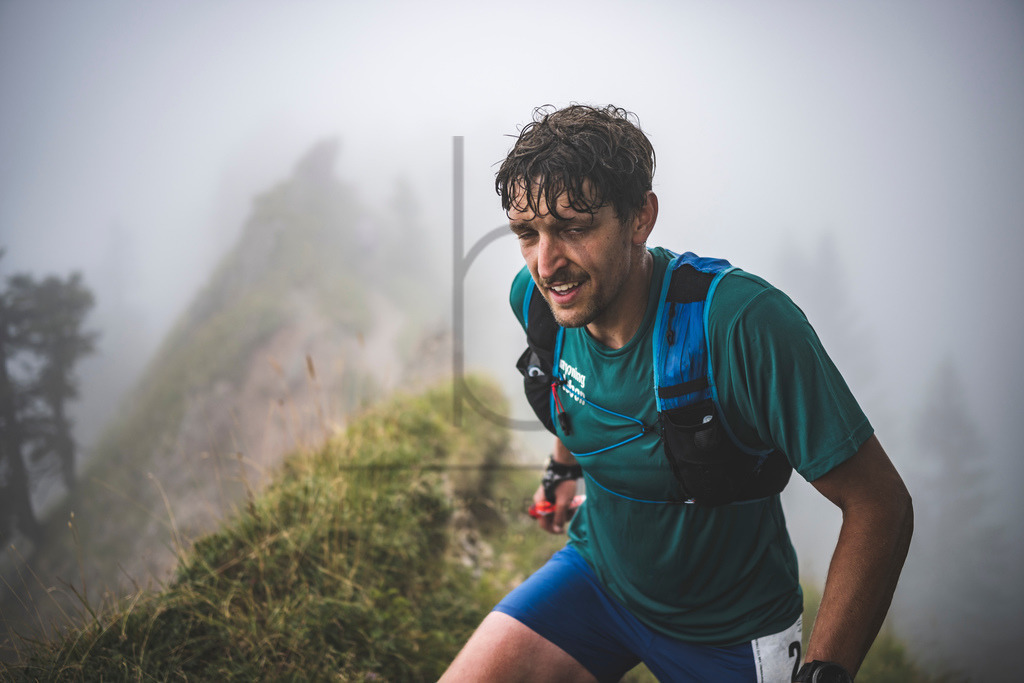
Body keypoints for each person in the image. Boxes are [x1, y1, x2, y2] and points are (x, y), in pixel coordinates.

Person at [441, 105, 913, 682]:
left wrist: (826, 672)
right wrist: (563, 471)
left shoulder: (742, 325)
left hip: (731, 633)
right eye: (526, 233)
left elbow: (879, 505)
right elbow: (574, 394)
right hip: (596, 580)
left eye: (574, 227)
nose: (547, 263)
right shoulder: (539, 302)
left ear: (641, 217)